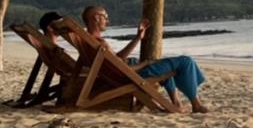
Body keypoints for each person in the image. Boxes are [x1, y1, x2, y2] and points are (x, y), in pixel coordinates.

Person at [80, 6, 209, 113]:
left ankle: (176, 103)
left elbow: (117, 59)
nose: (107, 20)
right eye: (105, 16)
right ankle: (195, 105)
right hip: (132, 75)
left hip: (126, 73)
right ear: (96, 18)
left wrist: (138, 37)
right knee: (185, 61)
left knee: (167, 65)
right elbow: (121, 66)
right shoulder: (100, 43)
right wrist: (145, 63)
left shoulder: (89, 41)